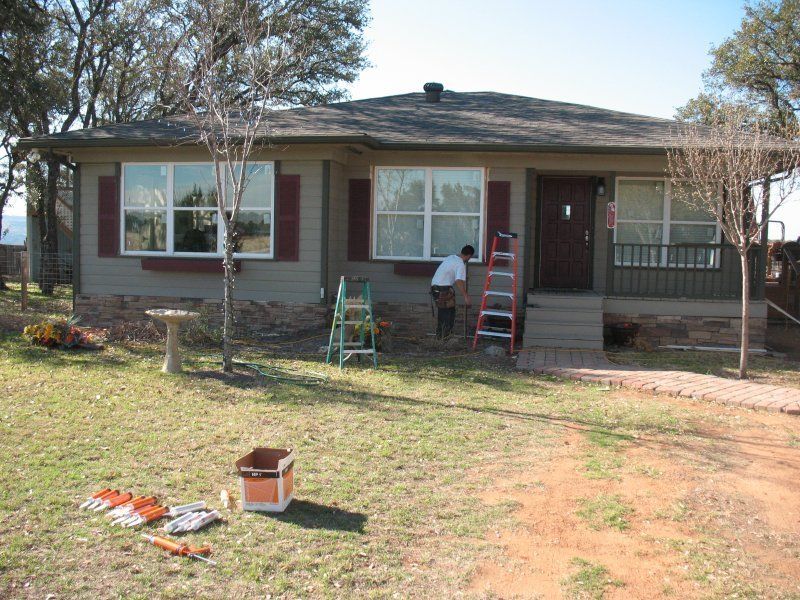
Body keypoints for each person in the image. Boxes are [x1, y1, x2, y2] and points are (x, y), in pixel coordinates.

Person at [430, 244, 474, 338]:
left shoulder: (451, 257)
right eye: (470, 258)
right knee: (447, 314)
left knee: (445, 312)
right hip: (443, 288)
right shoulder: (460, 264)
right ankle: (444, 339)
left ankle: (441, 338)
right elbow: (458, 281)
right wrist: (466, 296)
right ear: (469, 256)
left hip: (436, 286)